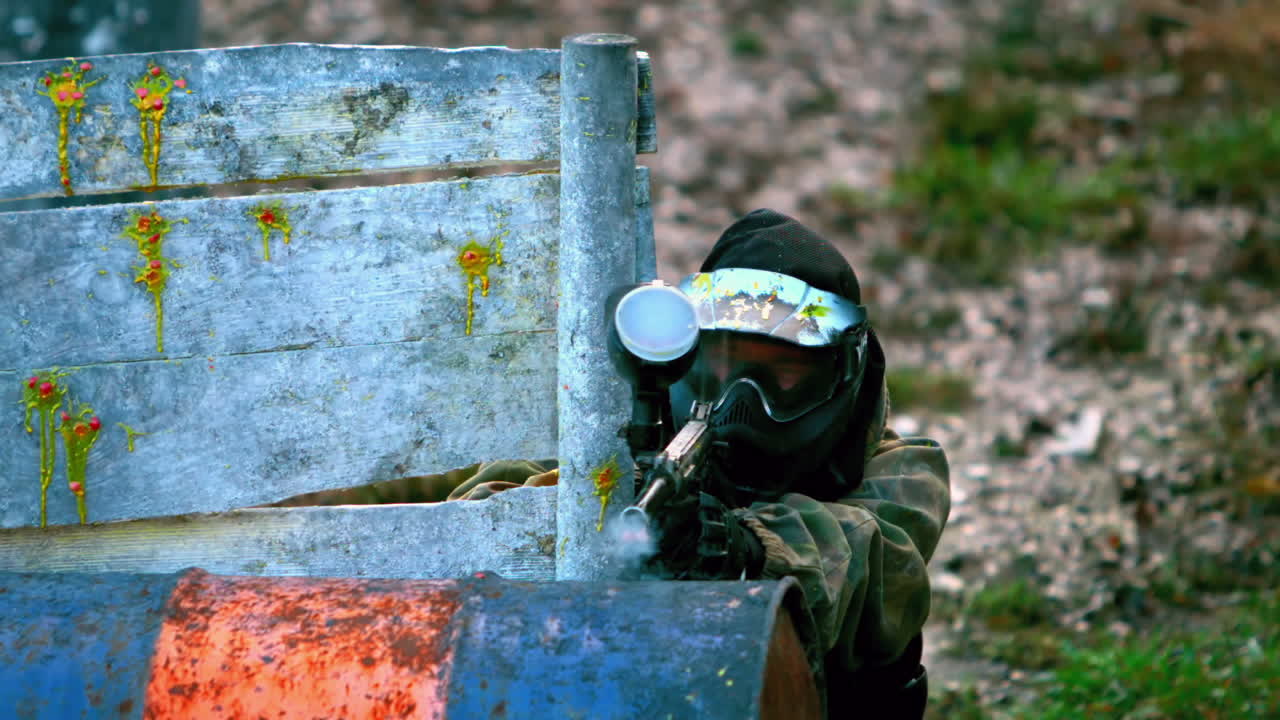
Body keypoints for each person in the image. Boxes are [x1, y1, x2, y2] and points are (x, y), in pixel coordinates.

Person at [275, 209, 951, 718]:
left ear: (846, 374)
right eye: (724, 366)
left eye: (785, 374)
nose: (745, 401)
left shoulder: (903, 471)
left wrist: (736, 548)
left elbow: (869, 561)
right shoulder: (636, 450)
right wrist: (581, 513)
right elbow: (488, 499)